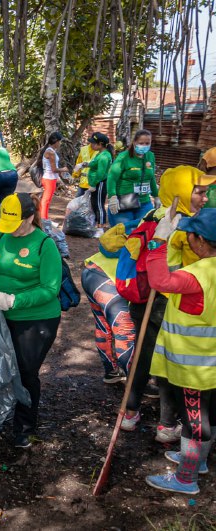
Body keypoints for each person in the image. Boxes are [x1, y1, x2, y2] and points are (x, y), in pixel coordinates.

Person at [119, 166, 215, 438]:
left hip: (146, 299)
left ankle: (131, 410)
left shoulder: (154, 214)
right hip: (168, 302)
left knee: (144, 356)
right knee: (169, 365)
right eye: (199, 192)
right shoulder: (184, 226)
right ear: (181, 193)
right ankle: (167, 425)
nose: (205, 198)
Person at [0, 193, 62, 447]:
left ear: (30, 217)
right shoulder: (1, 234)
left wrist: (14, 300)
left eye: (16, 225)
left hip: (37, 320)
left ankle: (25, 426)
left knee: (26, 372)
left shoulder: (44, 245)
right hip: (1, 315)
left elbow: (50, 289)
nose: (10, 231)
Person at [144, 208, 216, 495]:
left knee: (194, 422)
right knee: (209, 415)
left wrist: (157, 244)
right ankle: (197, 462)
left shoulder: (198, 274)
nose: (187, 238)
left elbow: (160, 282)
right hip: (210, 362)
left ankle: (186, 478)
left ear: (200, 239)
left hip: (194, 367)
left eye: (190, 235)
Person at [81, 231, 136, 384]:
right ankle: (135, 383)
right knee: (125, 331)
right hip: (111, 280)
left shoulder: (146, 218)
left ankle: (111, 372)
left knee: (103, 325)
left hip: (93, 269)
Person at [107, 128, 158, 226]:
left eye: (147, 143)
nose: (144, 146)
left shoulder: (150, 156)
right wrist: (112, 196)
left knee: (144, 231)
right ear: (134, 142)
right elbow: (112, 177)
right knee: (124, 234)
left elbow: (151, 177)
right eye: (141, 143)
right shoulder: (124, 157)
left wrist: (156, 196)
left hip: (144, 202)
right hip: (125, 201)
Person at [84, 132, 114, 229]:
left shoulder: (104, 156)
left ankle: (101, 224)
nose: (91, 145)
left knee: (99, 203)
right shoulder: (100, 154)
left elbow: (100, 174)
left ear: (100, 144)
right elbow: (93, 164)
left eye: (93, 143)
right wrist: (85, 164)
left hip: (100, 183)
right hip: (95, 183)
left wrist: (93, 184)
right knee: (94, 203)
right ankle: (97, 222)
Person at [38, 132, 69, 221]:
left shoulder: (50, 151)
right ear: (56, 142)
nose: (60, 144)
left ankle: (44, 218)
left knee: (46, 200)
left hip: (50, 178)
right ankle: (43, 219)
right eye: (60, 142)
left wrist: (58, 177)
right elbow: (54, 169)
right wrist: (64, 169)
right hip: (49, 179)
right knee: (46, 200)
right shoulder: (50, 152)